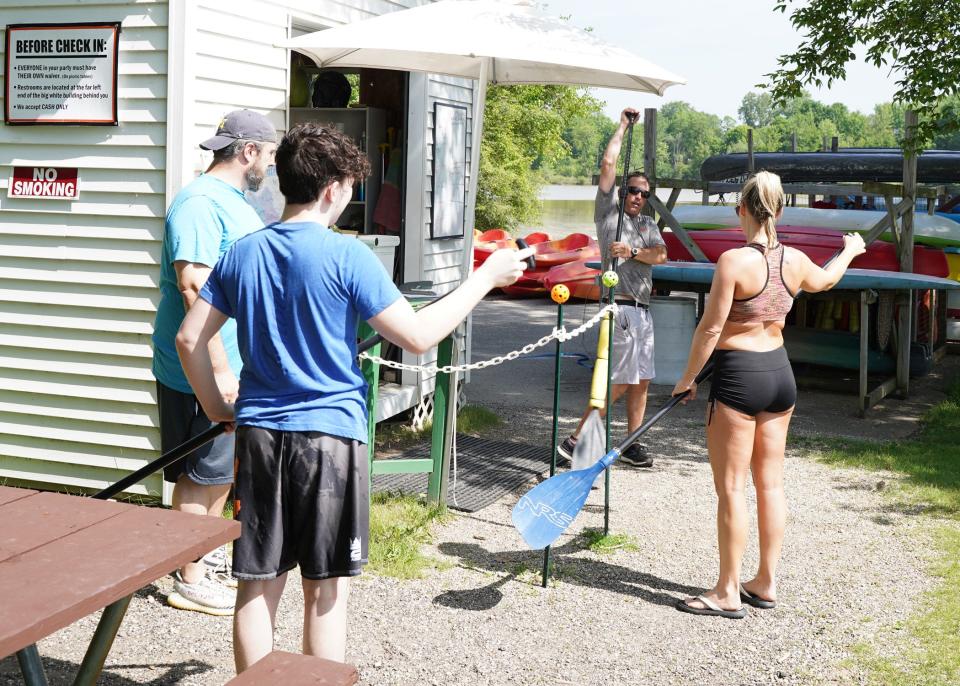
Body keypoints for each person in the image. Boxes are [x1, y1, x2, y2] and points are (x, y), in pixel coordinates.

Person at [175, 122, 533, 671]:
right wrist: (483, 279)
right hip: (329, 442)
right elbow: (415, 335)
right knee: (325, 589)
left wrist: (222, 409)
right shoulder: (349, 256)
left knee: (258, 584)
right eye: (348, 190)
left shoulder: (243, 253)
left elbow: (189, 338)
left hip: (261, 436)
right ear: (332, 189)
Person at [672, 171, 865, 619]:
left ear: (741, 210)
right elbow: (828, 281)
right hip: (780, 375)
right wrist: (850, 250)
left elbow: (712, 328)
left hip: (739, 377)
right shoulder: (795, 260)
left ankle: (726, 591)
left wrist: (687, 379)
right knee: (771, 484)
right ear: (778, 211)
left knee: (731, 489)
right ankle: (766, 581)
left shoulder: (733, 262)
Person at [152, 109, 278, 615]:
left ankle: (201, 561)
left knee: (221, 472)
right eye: (268, 155)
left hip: (233, 364)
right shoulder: (201, 204)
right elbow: (194, 288)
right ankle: (189, 578)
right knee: (202, 473)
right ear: (248, 151)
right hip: (202, 367)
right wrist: (223, 373)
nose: (269, 165)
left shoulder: (231, 201)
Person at [557, 107, 667, 468]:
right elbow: (607, 164)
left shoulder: (648, 224)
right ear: (623, 191)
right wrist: (622, 126)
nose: (638, 197)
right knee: (619, 380)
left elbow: (661, 256)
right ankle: (575, 439)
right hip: (618, 308)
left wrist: (633, 251)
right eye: (633, 191)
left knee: (643, 380)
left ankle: (632, 444)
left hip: (643, 310)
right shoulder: (608, 213)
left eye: (644, 194)